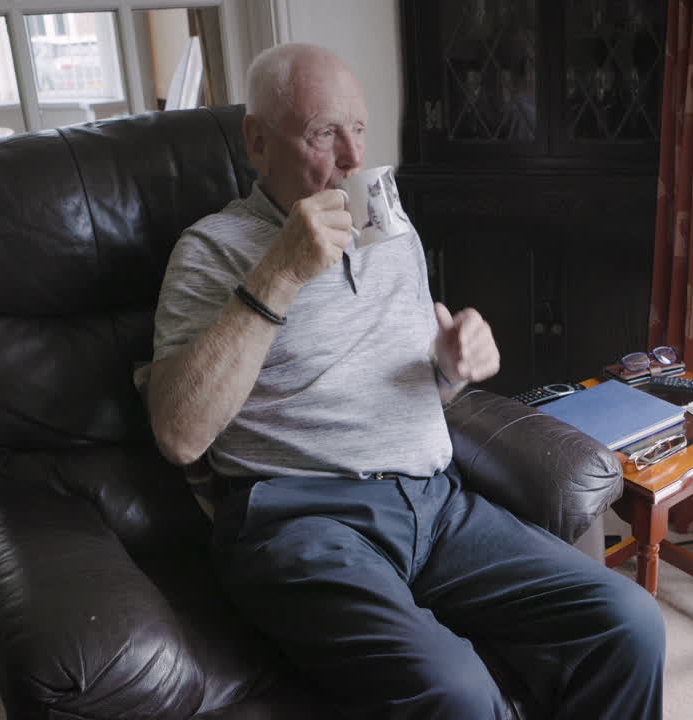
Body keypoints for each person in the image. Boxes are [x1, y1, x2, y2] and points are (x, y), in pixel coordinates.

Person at [144, 43, 665, 719]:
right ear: (257, 141)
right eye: (323, 133)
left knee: (627, 620)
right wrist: (281, 272)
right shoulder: (210, 250)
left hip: (435, 503)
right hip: (299, 520)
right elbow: (178, 434)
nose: (354, 160)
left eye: (358, 129)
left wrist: (450, 367)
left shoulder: (392, 228)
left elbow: (419, 387)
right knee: (459, 694)